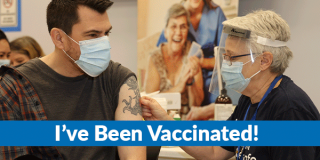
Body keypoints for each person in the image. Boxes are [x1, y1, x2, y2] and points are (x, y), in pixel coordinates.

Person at [141, 10, 320, 160]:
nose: (225, 64)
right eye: (224, 56)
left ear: (264, 60)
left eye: (231, 57)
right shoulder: (248, 100)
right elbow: (214, 151)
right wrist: (165, 122)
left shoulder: (290, 110)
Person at [0, 0, 145, 160]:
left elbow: (133, 155)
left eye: (106, 33)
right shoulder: (15, 86)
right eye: (93, 35)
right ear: (59, 38)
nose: (104, 43)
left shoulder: (119, 79)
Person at [156, 0, 240, 106]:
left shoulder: (216, 13)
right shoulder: (177, 14)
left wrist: (201, 62)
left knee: (225, 102)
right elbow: (161, 51)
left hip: (212, 77)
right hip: (186, 76)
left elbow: (228, 56)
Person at [144, 4, 204, 120]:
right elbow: (148, 104)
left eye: (183, 27)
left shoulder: (192, 53)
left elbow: (196, 105)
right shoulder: (155, 58)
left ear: (187, 31)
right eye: (173, 27)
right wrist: (179, 87)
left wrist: (191, 83)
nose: (178, 32)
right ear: (165, 32)